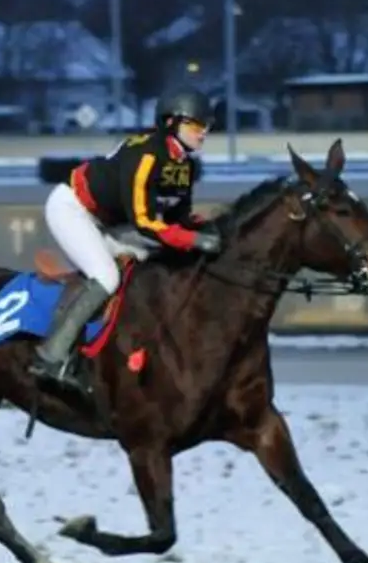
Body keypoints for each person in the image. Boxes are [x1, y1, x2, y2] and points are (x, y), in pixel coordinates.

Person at [28, 87, 223, 392]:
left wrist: (209, 228)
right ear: (172, 122)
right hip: (73, 209)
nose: (203, 133)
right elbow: (145, 222)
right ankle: (51, 355)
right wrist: (194, 240)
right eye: (197, 126)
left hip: (111, 220)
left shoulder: (183, 165)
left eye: (206, 127)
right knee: (106, 276)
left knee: (150, 261)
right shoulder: (145, 155)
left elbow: (178, 220)